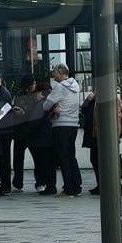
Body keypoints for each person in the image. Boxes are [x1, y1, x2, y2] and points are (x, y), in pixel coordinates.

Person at [42, 63, 83, 198]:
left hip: (61, 124)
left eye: (54, 72)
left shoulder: (60, 87)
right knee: (71, 155)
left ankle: (69, 188)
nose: (53, 75)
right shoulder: (75, 86)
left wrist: (52, 107)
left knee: (63, 157)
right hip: (73, 124)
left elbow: (46, 104)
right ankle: (76, 185)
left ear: (60, 73)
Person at [82, 85, 122, 195]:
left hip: (106, 136)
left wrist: (116, 135)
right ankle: (101, 184)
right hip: (95, 135)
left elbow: (118, 117)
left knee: (108, 162)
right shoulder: (95, 100)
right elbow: (84, 108)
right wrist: (89, 98)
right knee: (95, 160)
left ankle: (115, 186)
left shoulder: (111, 100)